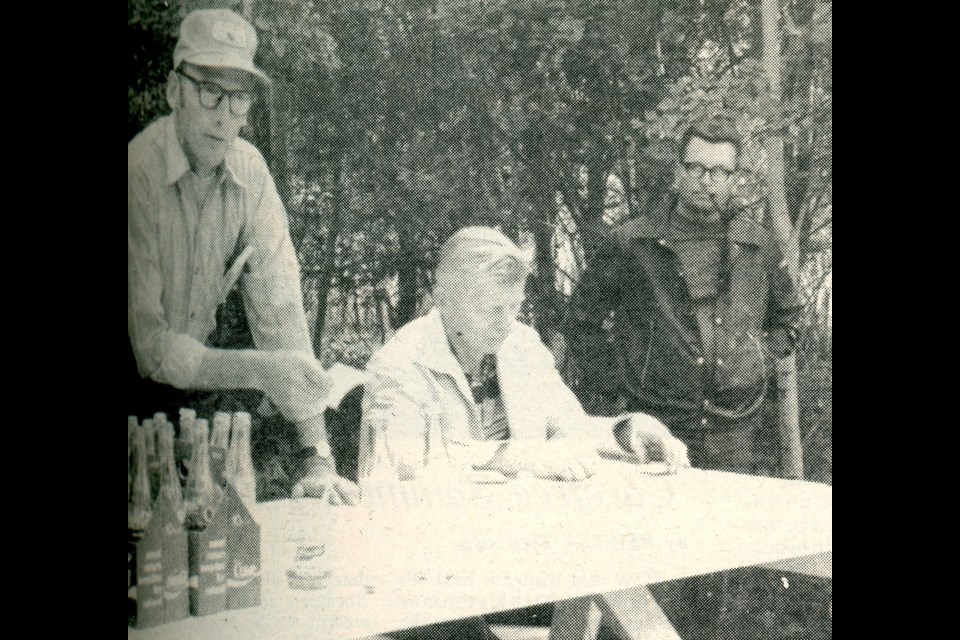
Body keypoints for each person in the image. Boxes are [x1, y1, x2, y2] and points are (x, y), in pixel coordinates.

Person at [357, 226, 689, 639]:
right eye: (489, 309)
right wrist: (510, 455)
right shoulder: (399, 365)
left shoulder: (521, 345)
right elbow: (403, 471)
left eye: (512, 308)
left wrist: (626, 430)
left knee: (623, 612)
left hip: (512, 559)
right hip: (423, 576)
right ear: (442, 301)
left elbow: (571, 428)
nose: (504, 324)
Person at [128, 8, 358, 505]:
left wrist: (317, 456)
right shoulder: (137, 173)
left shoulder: (249, 171)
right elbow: (149, 349)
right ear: (174, 91)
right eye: (210, 92)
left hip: (195, 397)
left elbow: (281, 312)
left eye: (239, 99)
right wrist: (260, 370)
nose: (224, 116)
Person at [565, 119, 804, 475]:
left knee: (723, 526)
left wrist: (757, 359)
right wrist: (616, 384)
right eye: (696, 168)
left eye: (719, 171)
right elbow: (581, 321)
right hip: (656, 426)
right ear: (678, 170)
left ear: (733, 177)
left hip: (734, 430)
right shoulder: (633, 243)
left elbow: (790, 318)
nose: (706, 180)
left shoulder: (759, 245)